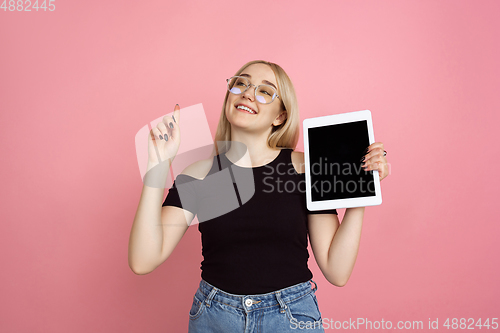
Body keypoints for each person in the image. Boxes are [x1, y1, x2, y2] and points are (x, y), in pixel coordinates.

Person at [128, 60, 389, 332]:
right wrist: (157, 166)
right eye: (241, 83)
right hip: (215, 318)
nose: (248, 93)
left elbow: (337, 271)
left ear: (280, 117)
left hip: (289, 318)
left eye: (265, 91)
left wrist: (363, 188)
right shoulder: (200, 174)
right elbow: (142, 260)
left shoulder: (307, 167)